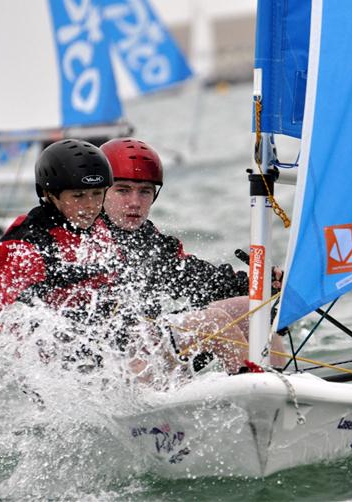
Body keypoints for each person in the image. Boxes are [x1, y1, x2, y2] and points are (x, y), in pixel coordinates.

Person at [98, 137, 284, 374]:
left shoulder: (148, 239)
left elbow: (199, 280)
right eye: (123, 190)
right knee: (214, 322)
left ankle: (285, 386)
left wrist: (258, 285)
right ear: (101, 191)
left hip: (150, 343)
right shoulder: (85, 236)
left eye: (145, 191)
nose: (135, 202)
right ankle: (259, 398)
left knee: (257, 310)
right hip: (111, 365)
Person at [0, 139, 115, 321]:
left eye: (97, 194)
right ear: (50, 195)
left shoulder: (104, 225)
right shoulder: (23, 243)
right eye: (78, 196)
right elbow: (6, 322)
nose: (90, 206)